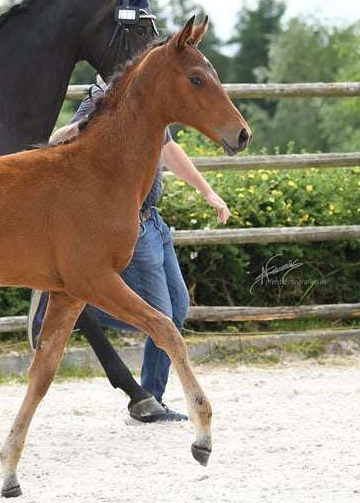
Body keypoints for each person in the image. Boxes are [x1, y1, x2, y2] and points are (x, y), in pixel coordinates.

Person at [28, 78, 230, 423]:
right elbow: (58, 140)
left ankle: (148, 397)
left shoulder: (147, 100)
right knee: (160, 314)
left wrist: (208, 192)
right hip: (130, 225)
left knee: (177, 306)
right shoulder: (106, 99)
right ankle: (70, 304)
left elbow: (169, 150)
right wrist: (80, 126)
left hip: (155, 222)